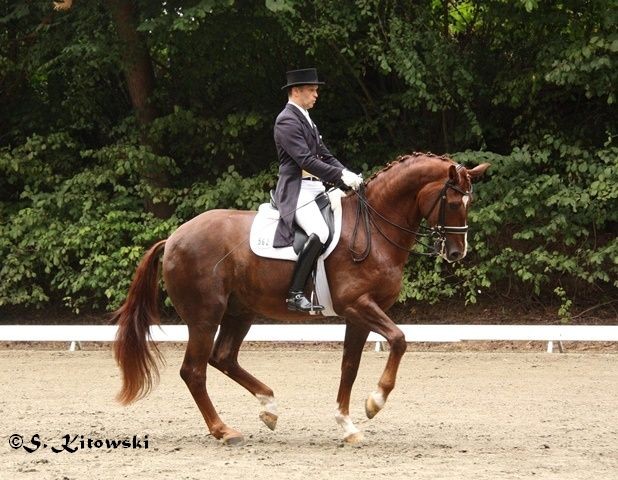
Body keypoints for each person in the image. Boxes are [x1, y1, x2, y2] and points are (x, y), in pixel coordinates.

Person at [273, 68, 363, 312]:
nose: (316, 95)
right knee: (320, 231)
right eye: (312, 90)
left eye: (316, 91)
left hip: (316, 188)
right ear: (296, 91)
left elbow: (325, 155)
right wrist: (340, 176)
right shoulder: (286, 120)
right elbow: (305, 160)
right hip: (297, 190)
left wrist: (348, 175)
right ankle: (295, 293)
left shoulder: (306, 118)